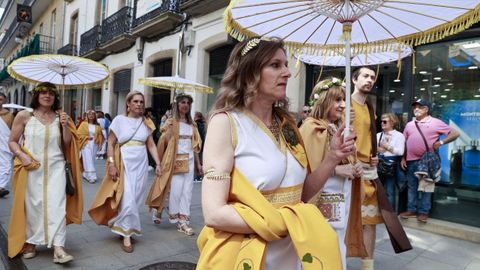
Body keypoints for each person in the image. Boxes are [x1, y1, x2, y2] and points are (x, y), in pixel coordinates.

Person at [196, 37, 357, 270]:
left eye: (285, 64)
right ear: (249, 73)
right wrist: (286, 221)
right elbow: (214, 214)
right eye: (275, 65)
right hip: (247, 253)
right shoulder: (226, 123)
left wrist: (333, 157)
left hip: (292, 253)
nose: (287, 73)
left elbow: (302, 194)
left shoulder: (288, 124)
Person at [7, 82, 83, 263]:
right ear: (37, 96)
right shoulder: (25, 116)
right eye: (44, 93)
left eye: (51, 93)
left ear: (56, 96)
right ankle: (32, 242)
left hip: (57, 168)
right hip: (31, 168)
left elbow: (66, 144)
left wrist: (65, 126)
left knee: (57, 205)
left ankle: (59, 247)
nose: (47, 96)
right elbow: (12, 141)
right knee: (34, 206)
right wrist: (22, 156)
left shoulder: (62, 116)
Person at [299, 77, 367, 270]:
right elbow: (305, 169)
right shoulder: (310, 127)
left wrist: (357, 166)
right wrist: (336, 169)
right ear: (323, 100)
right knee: (323, 240)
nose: (343, 105)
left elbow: (349, 158)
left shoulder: (340, 127)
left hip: (342, 195)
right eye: (337, 100)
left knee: (337, 238)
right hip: (322, 195)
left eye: (344, 100)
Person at [88, 91, 161, 253]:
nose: (139, 104)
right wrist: (112, 164)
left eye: (141, 102)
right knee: (127, 197)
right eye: (135, 101)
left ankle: (121, 224)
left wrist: (158, 163)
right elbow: (111, 143)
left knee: (135, 198)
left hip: (141, 163)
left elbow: (150, 144)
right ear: (128, 104)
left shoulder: (146, 122)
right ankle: (127, 234)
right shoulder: (119, 120)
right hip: (124, 163)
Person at [146, 93, 202, 236]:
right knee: (174, 191)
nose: (186, 105)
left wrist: (198, 164)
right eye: (183, 102)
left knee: (187, 191)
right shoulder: (170, 121)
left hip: (188, 160)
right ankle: (160, 209)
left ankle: (183, 222)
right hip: (173, 159)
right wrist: (169, 130)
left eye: (188, 103)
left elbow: (195, 146)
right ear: (177, 105)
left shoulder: (192, 124)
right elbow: (162, 139)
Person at [400, 99, 459, 223]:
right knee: (412, 186)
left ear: (426, 109)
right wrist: (403, 158)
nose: (416, 109)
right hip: (411, 160)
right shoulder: (410, 124)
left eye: (419, 107)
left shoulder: (435, 122)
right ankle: (411, 210)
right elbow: (404, 142)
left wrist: (441, 142)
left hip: (428, 161)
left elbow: (455, 133)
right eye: (415, 107)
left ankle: (424, 212)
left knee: (427, 186)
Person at [376, 113, 405, 211]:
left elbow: (400, 151)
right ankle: (377, 212)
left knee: (390, 191)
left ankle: (390, 214)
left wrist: (387, 147)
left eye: (385, 121)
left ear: (392, 123)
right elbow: (373, 149)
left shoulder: (399, 135)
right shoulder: (378, 135)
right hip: (378, 164)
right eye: (381, 121)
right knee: (377, 190)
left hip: (390, 165)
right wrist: (379, 149)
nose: (382, 123)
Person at [78, 110, 104, 183]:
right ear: (87, 116)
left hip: (94, 144)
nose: (91, 116)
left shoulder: (97, 126)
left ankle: (86, 173)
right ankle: (92, 176)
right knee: (88, 158)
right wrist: (86, 137)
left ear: (95, 116)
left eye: (92, 114)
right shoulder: (83, 124)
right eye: (89, 114)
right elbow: (78, 134)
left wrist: (100, 144)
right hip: (86, 143)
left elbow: (100, 136)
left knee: (91, 159)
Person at [0, 92, 13, 198]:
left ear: (4, 101)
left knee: (6, 165)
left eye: (1, 99)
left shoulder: (9, 115)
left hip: (4, 144)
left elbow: (12, 130)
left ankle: (2, 187)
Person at [194, 111, 206, 181]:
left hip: (198, 143)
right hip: (204, 143)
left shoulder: (196, 124)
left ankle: (198, 175)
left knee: (198, 160)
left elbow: (198, 135)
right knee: (201, 160)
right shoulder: (204, 123)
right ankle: (200, 175)